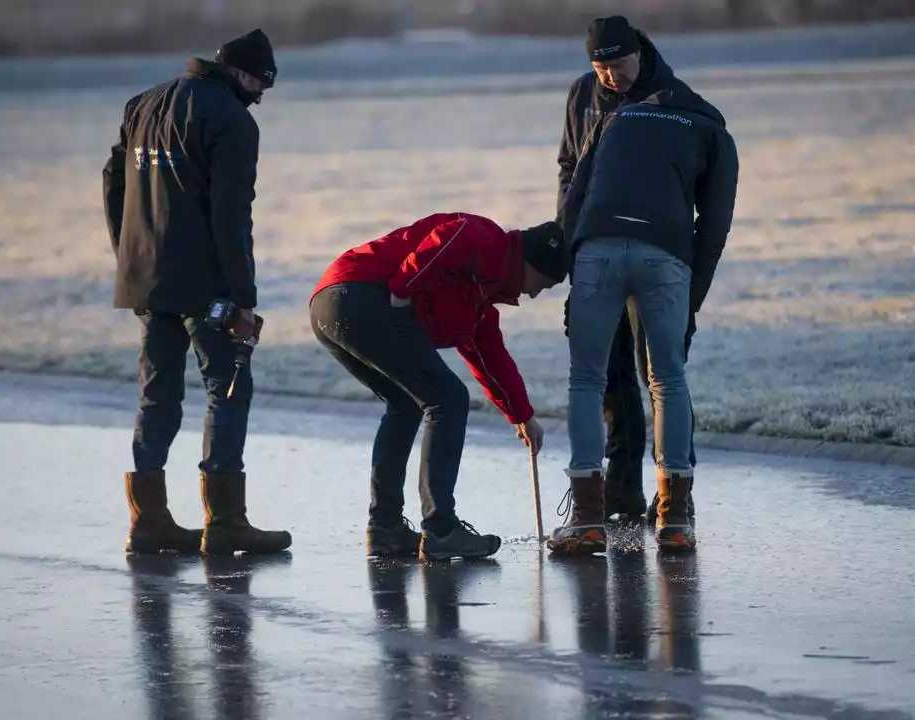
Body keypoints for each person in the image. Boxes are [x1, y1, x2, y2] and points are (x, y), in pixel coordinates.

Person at [103, 29, 290, 556]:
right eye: (260, 87)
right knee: (227, 386)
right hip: (206, 286)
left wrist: (128, 255)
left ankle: (148, 522)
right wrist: (243, 298)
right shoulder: (231, 120)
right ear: (243, 74)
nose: (259, 98)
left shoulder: (142, 104)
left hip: (146, 278)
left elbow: (113, 182)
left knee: (157, 392)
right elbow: (232, 215)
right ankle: (226, 520)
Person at [548, 58, 739, 555]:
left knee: (586, 380)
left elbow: (575, 197)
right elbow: (713, 229)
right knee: (668, 379)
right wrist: (690, 302)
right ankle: (676, 519)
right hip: (665, 255)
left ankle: (588, 517)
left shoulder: (615, 118)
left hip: (598, 247)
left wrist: (574, 269)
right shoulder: (714, 131)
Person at [309, 214, 567, 561]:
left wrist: (521, 415)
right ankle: (441, 529)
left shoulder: (479, 302)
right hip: (361, 295)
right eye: (544, 283)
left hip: (330, 302)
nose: (535, 293)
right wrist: (404, 286)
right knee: (449, 399)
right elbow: (451, 234)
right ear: (531, 262)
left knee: (405, 403)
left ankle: (385, 528)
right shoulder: (489, 241)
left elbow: (490, 358)